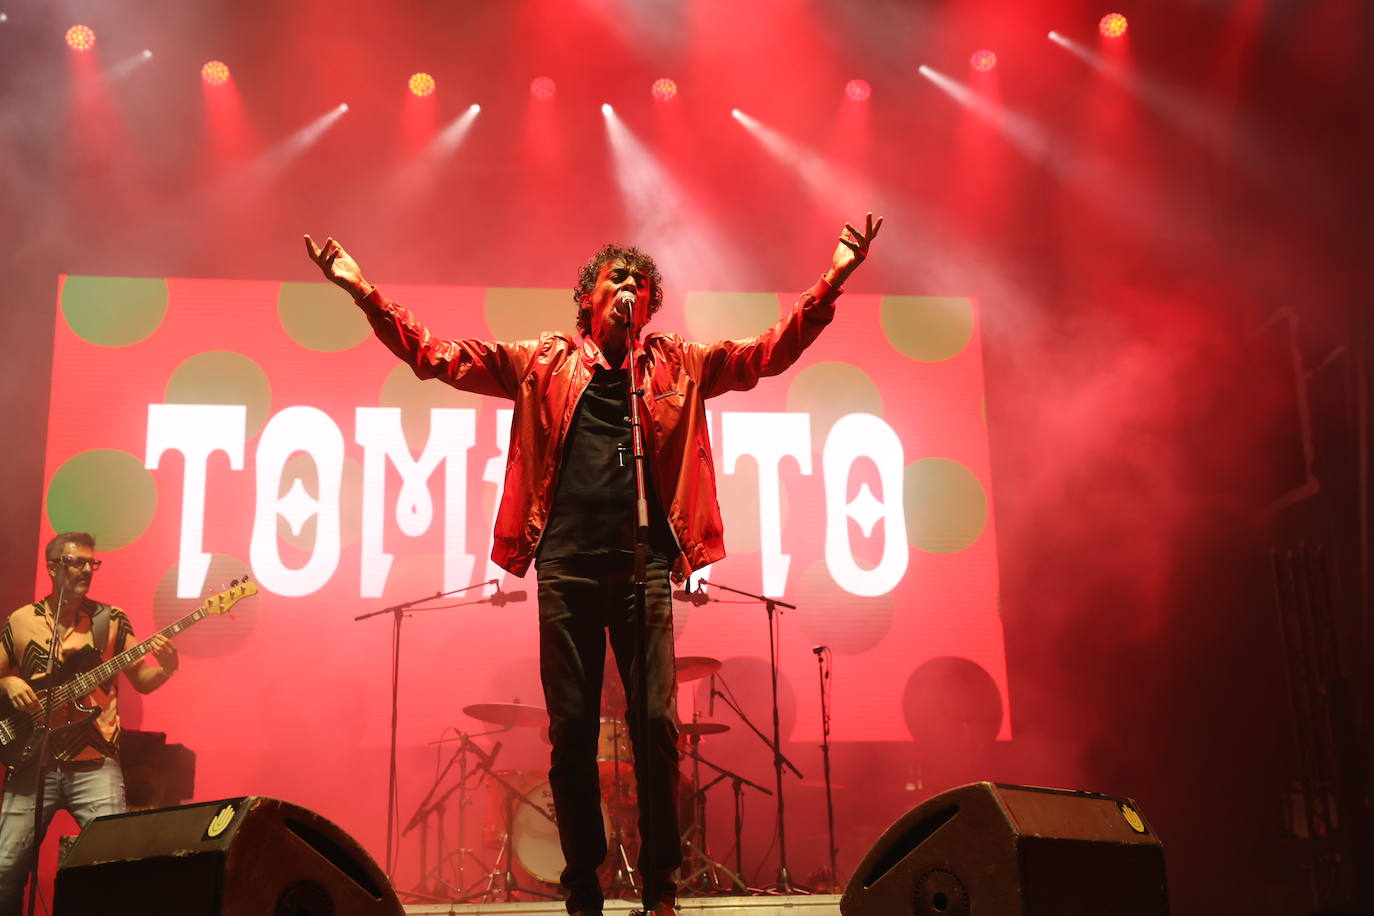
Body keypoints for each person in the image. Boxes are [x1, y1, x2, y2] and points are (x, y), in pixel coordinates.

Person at [304, 213, 882, 916]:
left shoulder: (676, 364)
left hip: (644, 570)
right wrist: (364, 292)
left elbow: (766, 354)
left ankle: (661, 890)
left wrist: (835, 278)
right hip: (568, 568)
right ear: (587, 298)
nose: (631, 287)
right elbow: (437, 356)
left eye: (641, 282)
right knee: (570, 735)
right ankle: (584, 888)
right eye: (618, 278)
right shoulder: (540, 362)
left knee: (657, 733)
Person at [0, 532, 180, 916]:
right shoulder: (21, 620)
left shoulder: (110, 620)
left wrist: (167, 669)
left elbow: (142, 681)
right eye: (76, 562)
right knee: (4, 871)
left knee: (113, 868)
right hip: (33, 763)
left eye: (91, 563)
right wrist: (8, 680)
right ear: (52, 567)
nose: (86, 570)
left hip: (96, 763)